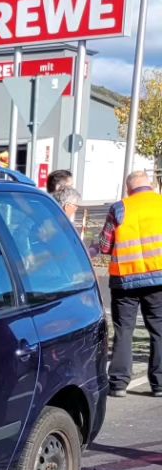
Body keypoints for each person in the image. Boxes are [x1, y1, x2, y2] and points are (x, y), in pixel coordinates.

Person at [99, 170, 162, 397]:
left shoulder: (119, 208)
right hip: (158, 278)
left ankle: (118, 383)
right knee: (159, 330)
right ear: (151, 186)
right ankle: (159, 384)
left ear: (128, 189)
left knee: (124, 330)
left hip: (125, 280)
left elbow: (105, 245)